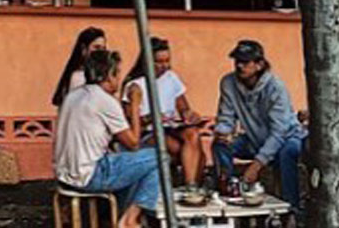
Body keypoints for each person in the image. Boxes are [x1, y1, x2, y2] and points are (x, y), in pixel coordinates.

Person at [54, 49, 159, 228]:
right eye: (117, 73)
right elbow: (133, 143)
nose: (119, 79)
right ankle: (129, 220)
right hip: (90, 175)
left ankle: (119, 217)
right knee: (159, 157)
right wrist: (135, 103)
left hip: (64, 174)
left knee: (143, 168)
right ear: (109, 75)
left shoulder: (73, 96)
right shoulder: (104, 100)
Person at [213, 39, 306, 210]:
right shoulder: (228, 82)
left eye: (245, 62)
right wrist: (223, 132)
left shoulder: (275, 88)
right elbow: (226, 117)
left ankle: (291, 209)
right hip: (254, 138)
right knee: (221, 145)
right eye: (237, 61)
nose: (240, 66)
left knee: (288, 151)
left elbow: (279, 132)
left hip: (286, 137)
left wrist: (256, 165)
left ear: (259, 64)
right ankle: (228, 188)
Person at [122, 36, 205, 186]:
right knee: (189, 151)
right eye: (159, 62)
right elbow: (129, 122)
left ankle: (191, 186)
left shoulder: (171, 78)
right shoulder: (135, 85)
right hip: (148, 132)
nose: (164, 66)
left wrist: (189, 114)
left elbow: (183, 107)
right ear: (147, 61)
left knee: (193, 135)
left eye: (167, 61)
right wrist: (151, 118)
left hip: (170, 127)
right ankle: (191, 187)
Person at [51, 27, 107, 108]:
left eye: (103, 49)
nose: (101, 53)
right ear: (84, 49)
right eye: (96, 47)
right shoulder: (79, 78)